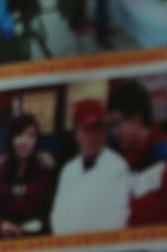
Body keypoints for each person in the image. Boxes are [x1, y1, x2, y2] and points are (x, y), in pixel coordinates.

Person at [108, 78, 167, 227]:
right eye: (111, 126)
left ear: (137, 118)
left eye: (117, 123)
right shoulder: (125, 161)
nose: (114, 132)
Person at [48, 98, 129, 236]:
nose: (94, 136)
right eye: (87, 130)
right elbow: (58, 216)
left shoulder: (118, 167)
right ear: (77, 134)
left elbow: (118, 220)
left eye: (98, 129)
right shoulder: (68, 170)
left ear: (105, 132)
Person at [0, 112, 57, 237]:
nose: (25, 142)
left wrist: (39, 224)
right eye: (19, 135)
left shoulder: (44, 173)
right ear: (11, 138)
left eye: (31, 136)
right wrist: (0, 225)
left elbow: (50, 214)